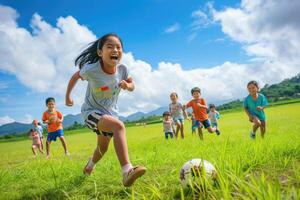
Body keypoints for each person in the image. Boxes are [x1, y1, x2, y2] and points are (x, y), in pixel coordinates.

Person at [65, 33, 146, 187]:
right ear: (100, 52)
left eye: (118, 47)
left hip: (110, 114)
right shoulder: (92, 69)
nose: (115, 50)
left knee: (102, 148)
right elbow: (75, 76)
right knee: (118, 126)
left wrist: (128, 86)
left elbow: (132, 84)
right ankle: (127, 171)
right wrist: (68, 96)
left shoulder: (122, 69)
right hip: (91, 112)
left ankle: (89, 167)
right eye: (109, 47)